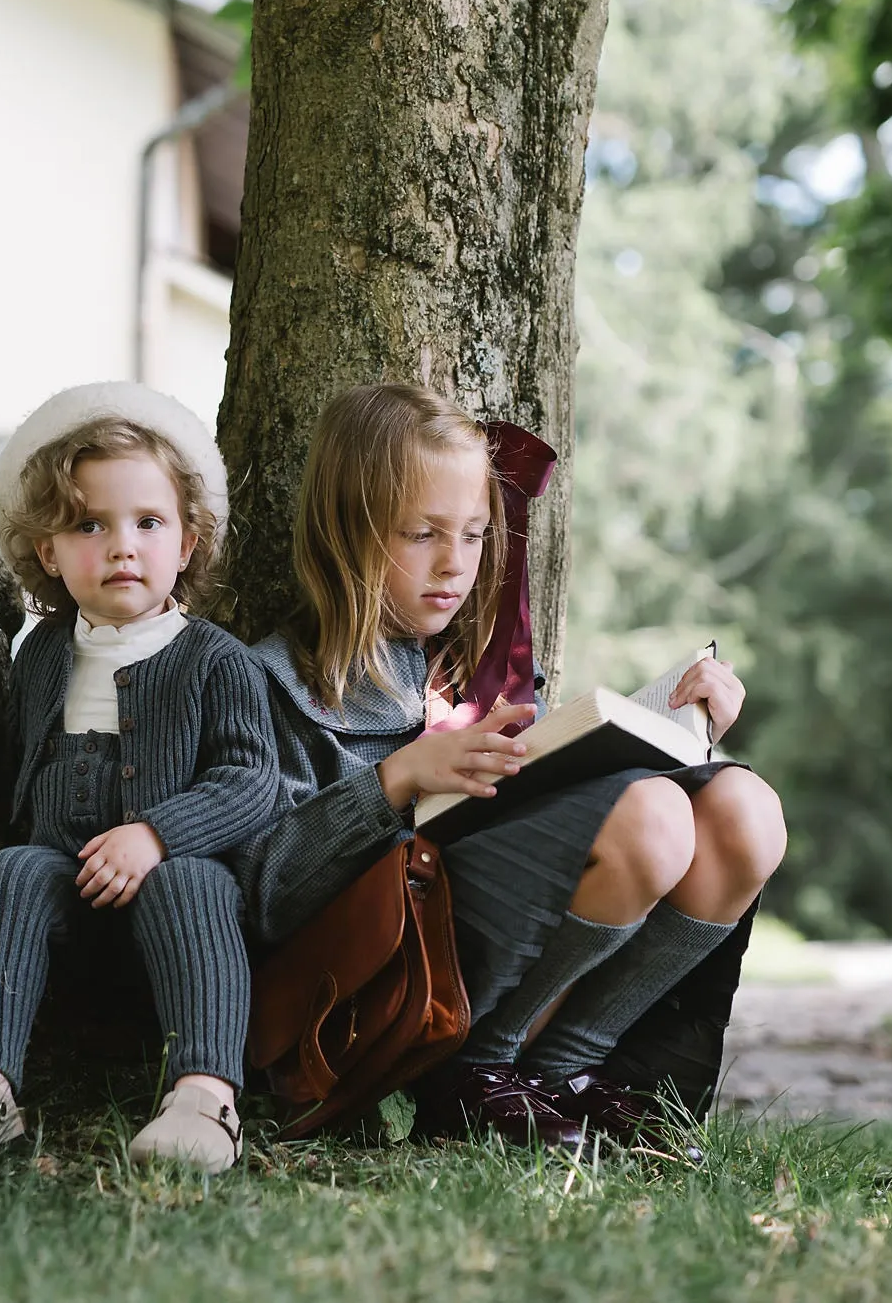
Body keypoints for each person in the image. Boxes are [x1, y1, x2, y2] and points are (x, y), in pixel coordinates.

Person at [236, 383, 787, 1149]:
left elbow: (567, 784)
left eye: (473, 534)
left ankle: (566, 1076)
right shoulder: (273, 678)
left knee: (745, 810)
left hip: (512, 946)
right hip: (392, 978)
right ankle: (474, 1078)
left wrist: (687, 725)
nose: (454, 565)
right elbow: (262, 895)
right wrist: (396, 778)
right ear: (346, 531)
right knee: (651, 818)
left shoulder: (484, 664)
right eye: (421, 532)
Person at [0, 383, 276, 1175]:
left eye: (148, 522)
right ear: (48, 552)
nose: (122, 546)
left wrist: (157, 835)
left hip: (168, 905)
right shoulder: (44, 654)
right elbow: (17, 749)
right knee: (9, 870)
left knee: (197, 888)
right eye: (90, 524)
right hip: (66, 897)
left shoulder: (216, 660)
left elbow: (252, 781)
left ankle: (205, 1097)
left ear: (186, 543)